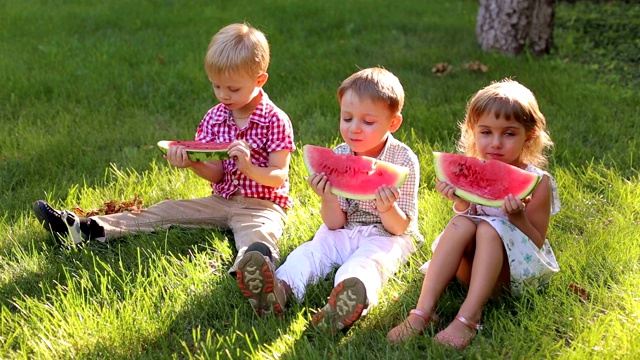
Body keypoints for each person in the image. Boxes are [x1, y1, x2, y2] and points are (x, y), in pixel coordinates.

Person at [32, 23, 296, 276]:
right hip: (222, 201)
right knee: (166, 210)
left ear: (260, 80)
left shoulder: (275, 119)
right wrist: (194, 164)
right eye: (216, 86)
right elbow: (218, 175)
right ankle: (83, 228)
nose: (223, 95)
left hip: (263, 206)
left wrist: (248, 168)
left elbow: (278, 176)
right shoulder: (214, 118)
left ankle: (255, 270)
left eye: (233, 88)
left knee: (258, 234)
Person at [235, 67, 423, 328]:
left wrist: (387, 207)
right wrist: (328, 197)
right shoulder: (339, 154)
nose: (354, 129)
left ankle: (351, 299)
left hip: (388, 236)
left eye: (367, 122)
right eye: (347, 118)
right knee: (310, 252)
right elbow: (334, 224)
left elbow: (400, 227)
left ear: (393, 123)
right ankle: (279, 289)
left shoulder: (403, 161)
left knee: (367, 263)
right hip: (345, 228)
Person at [386, 79, 561, 349]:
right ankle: (422, 312)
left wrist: (517, 217)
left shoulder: (538, 181)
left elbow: (536, 241)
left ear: (530, 135)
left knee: (489, 229)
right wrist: (459, 200)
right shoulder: (472, 170)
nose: (496, 143)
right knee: (460, 223)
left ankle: (469, 318)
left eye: (509, 133)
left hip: (510, 276)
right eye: (486, 132)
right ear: (473, 132)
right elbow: (472, 214)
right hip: (467, 271)